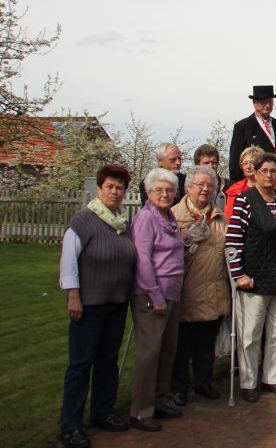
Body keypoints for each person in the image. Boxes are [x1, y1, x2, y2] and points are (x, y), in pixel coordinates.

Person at [58, 165, 137, 448]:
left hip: (116, 303)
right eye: (110, 187)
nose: (115, 192)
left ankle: (103, 412)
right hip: (89, 305)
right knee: (80, 365)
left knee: (107, 361)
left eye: (120, 188)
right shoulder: (83, 221)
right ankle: (70, 425)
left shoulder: (122, 224)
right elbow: (69, 262)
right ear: (100, 189)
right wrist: (73, 295)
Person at [226, 153, 276, 403]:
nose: (269, 175)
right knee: (250, 335)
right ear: (255, 173)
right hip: (254, 278)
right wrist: (239, 274)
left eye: (273, 171)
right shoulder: (245, 200)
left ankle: (273, 378)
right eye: (264, 171)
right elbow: (233, 240)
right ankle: (248, 381)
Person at [128, 168, 186, 432]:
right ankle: (141, 410)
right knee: (149, 354)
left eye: (169, 190)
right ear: (148, 192)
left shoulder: (169, 216)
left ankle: (159, 400)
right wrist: (155, 294)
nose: (165, 194)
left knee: (167, 350)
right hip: (152, 296)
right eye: (158, 190)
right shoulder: (146, 219)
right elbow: (142, 259)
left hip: (172, 293)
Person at [169, 166, 230, 406]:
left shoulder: (219, 216)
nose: (205, 189)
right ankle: (179, 388)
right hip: (186, 290)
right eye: (200, 185)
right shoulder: (174, 215)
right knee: (183, 344)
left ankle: (204, 383)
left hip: (213, 290)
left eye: (210, 185)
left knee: (206, 343)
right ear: (188, 187)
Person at [229, 85, 276, 184]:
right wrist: (237, 186)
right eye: (264, 102)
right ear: (254, 103)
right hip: (255, 184)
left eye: (270, 102)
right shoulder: (243, 127)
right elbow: (235, 161)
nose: (267, 105)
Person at [224, 146, 264, 220]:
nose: (248, 166)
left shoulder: (272, 188)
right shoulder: (235, 191)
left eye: (252, 162)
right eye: (245, 163)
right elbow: (229, 218)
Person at [193, 143, 229, 210]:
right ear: (197, 165)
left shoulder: (229, 186)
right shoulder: (190, 186)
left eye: (214, 162)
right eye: (206, 163)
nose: (211, 166)